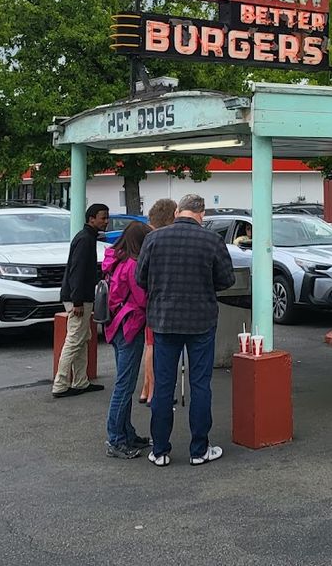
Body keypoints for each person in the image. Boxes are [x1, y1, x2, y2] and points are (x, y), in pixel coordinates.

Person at [135, 193, 235, 467]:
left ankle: (160, 450)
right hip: (201, 320)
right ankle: (199, 449)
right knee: (200, 384)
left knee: (163, 385)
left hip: (164, 321)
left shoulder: (153, 239)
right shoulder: (212, 240)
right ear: (201, 213)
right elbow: (227, 279)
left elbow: (139, 278)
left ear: (178, 211)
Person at [102, 220, 152, 458]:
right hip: (130, 326)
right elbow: (142, 299)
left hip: (114, 324)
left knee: (124, 383)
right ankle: (116, 439)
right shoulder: (133, 265)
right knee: (124, 385)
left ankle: (127, 432)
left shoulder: (114, 259)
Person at [52, 203, 109, 398]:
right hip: (79, 298)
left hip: (78, 296)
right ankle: (60, 384)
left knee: (82, 339)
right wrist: (77, 301)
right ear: (91, 218)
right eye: (103, 217)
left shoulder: (85, 237)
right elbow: (77, 271)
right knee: (75, 340)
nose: (106, 221)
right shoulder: (86, 240)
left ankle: (80, 381)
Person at [138, 198, 178, 405]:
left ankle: (146, 388)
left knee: (149, 345)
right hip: (158, 304)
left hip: (150, 302)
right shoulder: (158, 238)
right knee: (154, 347)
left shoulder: (148, 237)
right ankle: (153, 390)